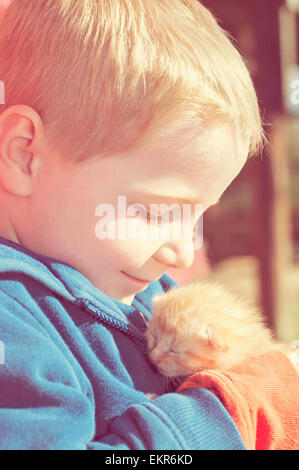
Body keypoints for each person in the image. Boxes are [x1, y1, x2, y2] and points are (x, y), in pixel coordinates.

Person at [0, 0, 277, 450]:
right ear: (24, 155)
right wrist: (224, 416)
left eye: (196, 217)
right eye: (154, 212)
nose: (183, 254)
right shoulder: (12, 326)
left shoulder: (133, 286)